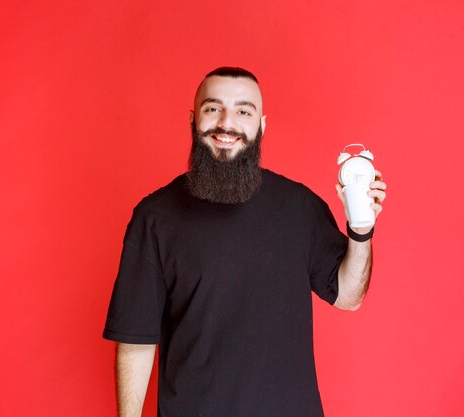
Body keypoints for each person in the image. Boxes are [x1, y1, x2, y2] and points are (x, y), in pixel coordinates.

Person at [102, 67, 387, 417]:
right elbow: (135, 340)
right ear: (193, 120)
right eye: (213, 108)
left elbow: (348, 297)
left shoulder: (299, 207)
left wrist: (361, 229)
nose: (227, 123)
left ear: (261, 125)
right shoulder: (155, 217)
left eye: (243, 111)